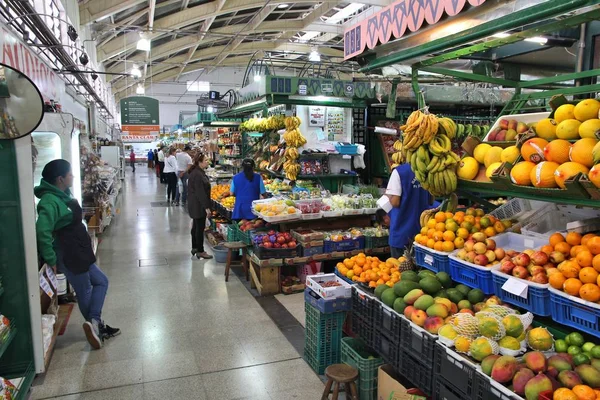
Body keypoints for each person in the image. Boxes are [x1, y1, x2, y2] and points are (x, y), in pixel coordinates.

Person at [34, 160, 119, 350]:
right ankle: (96, 326)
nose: (73, 176)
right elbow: (42, 232)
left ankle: (95, 322)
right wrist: (51, 258)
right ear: (60, 179)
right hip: (69, 253)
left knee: (101, 281)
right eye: (70, 174)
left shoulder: (61, 194)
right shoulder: (49, 201)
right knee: (85, 290)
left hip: (79, 249)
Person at [385, 163, 432, 258]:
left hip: (401, 233)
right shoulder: (428, 170)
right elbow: (431, 200)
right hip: (422, 235)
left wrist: (388, 196)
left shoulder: (399, 172)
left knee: (398, 270)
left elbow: (395, 202)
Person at [188, 153, 213, 259]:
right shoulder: (198, 174)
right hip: (198, 205)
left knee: (195, 227)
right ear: (200, 162)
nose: (208, 161)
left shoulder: (197, 172)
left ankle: (194, 247)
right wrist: (206, 208)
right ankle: (200, 251)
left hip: (194, 203)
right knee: (200, 228)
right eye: (206, 160)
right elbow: (200, 192)